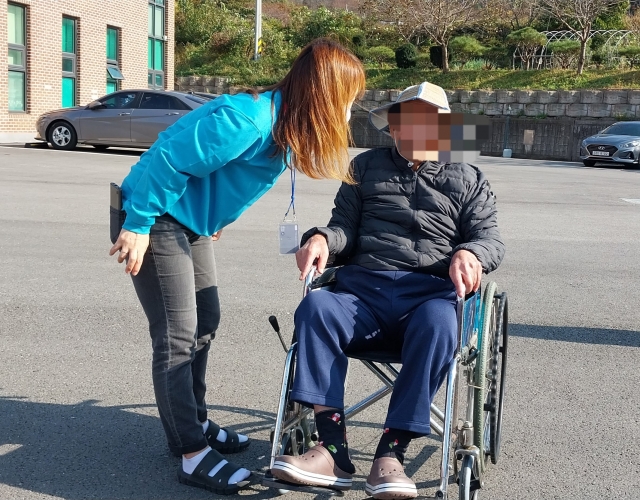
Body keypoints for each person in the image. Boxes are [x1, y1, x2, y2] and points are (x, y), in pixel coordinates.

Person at [108, 38, 366, 495]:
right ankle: (191, 453)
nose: (349, 112)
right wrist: (138, 222)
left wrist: (214, 219)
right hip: (156, 218)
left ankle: (194, 421)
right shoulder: (248, 121)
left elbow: (222, 177)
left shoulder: (284, 128)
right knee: (177, 335)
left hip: (190, 223)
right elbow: (168, 159)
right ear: (324, 95)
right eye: (348, 100)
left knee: (206, 320)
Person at [270, 82, 505, 499]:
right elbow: (343, 228)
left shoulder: (468, 177)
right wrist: (322, 238)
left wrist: (471, 252)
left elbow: (490, 239)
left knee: (440, 323)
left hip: (429, 296)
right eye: (406, 122)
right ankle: (332, 450)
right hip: (363, 293)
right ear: (393, 128)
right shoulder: (364, 167)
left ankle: (391, 453)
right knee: (316, 308)